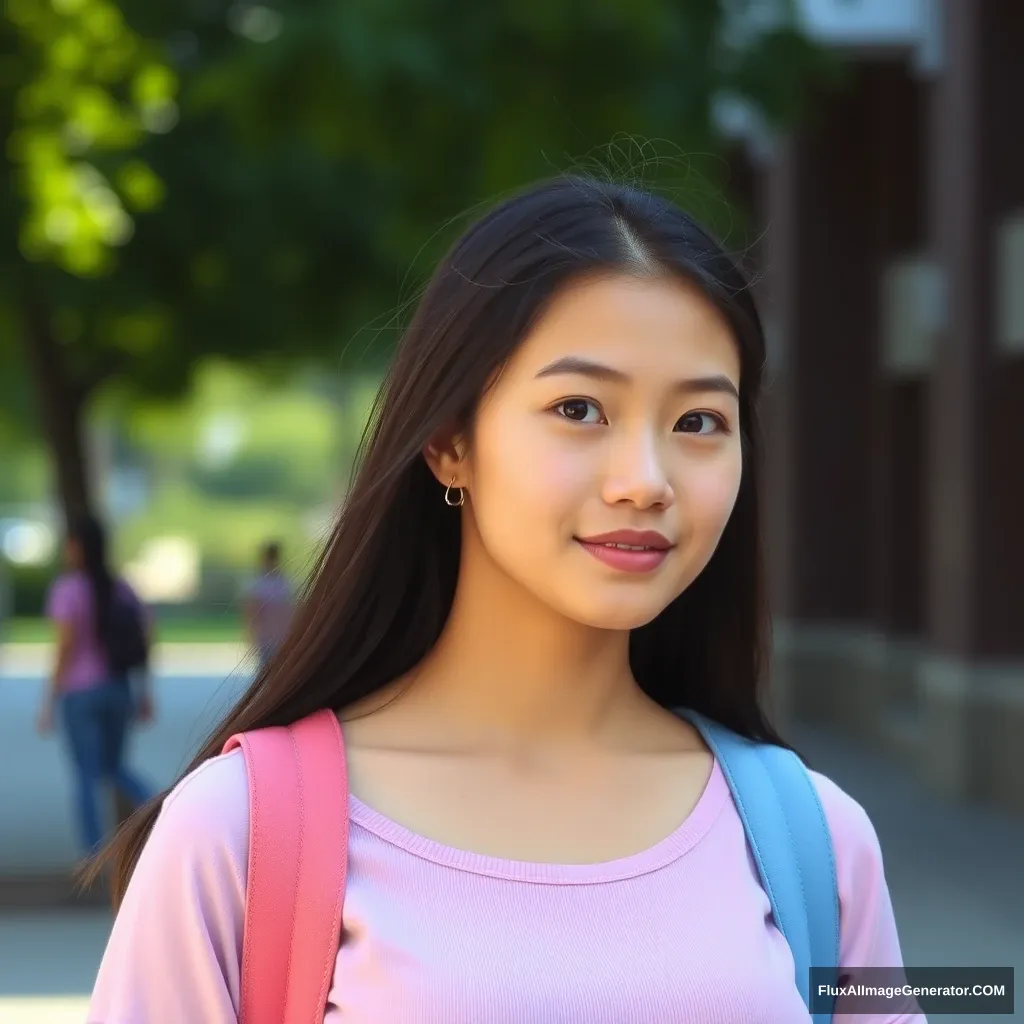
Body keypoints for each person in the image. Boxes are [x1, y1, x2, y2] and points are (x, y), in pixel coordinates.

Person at [85, 178, 922, 1022]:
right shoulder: (241, 835)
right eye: (580, 408)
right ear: (450, 442)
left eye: (699, 421)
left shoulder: (815, 842)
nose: (646, 481)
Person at [37, 513, 153, 860]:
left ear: (75, 547)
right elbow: (145, 639)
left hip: (80, 694)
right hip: (118, 690)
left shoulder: (68, 589)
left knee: (86, 776)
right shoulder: (122, 588)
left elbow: (64, 648)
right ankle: (159, 808)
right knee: (113, 767)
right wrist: (145, 692)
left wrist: (48, 700)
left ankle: (92, 857)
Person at [241, 540, 294, 669]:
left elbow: (292, 610)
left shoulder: (285, 582)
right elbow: (251, 611)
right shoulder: (260, 584)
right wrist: (250, 634)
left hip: (281, 636)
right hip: (266, 637)